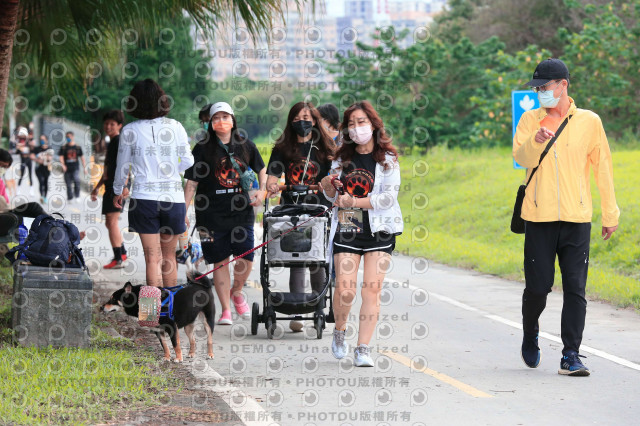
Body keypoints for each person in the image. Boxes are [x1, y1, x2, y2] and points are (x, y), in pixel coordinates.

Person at [513, 58, 620, 376]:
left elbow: (603, 168)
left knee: (575, 287)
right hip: (539, 218)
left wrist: (610, 212)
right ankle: (530, 331)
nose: (540, 93)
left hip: (577, 217)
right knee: (538, 288)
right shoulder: (530, 119)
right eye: (537, 89)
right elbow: (521, 158)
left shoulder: (589, 121)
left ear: (563, 85)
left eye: (544, 87)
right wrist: (536, 141)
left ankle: (570, 355)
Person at [320, 100, 403, 367]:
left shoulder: (388, 160)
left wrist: (354, 201)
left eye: (362, 122)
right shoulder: (340, 159)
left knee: (371, 290)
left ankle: (363, 348)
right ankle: (339, 330)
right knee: (345, 290)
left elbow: (388, 198)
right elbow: (332, 195)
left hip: (380, 229)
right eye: (352, 124)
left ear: (374, 125)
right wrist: (328, 187)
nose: (357, 128)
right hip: (348, 226)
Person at [184, 102, 266, 325]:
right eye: (216, 118)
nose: (221, 121)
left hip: (241, 212)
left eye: (225, 117)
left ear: (233, 119)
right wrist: (183, 210)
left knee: (246, 256)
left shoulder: (245, 145)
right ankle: (226, 310)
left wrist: (262, 190)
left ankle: (236, 291)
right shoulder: (202, 148)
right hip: (210, 213)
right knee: (219, 262)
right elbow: (192, 182)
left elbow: (261, 168)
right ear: (211, 123)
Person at [113, 79, 194, 288]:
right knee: (169, 258)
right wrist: (171, 170)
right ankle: (170, 306)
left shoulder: (129, 130)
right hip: (173, 199)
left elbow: (122, 166)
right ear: (162, 100)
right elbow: (188, 161)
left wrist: (117, 190)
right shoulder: (176, 126)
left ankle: (151, 308)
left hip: (144, 199)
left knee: (152, 259)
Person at [265, 101, 336, 332]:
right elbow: (272, 178)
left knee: (316, 259)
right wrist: (273, 185)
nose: (301, 122)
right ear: (290, 122)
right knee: (296, 258)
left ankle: (317, 306)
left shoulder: (325, 147)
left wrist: (327, 184)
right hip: (292, 211)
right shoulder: (283, 147)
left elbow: (335, 177)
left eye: (306, 118)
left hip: (319, 211)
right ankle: (297, 310)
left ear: (314, 120)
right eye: (296, 119)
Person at [91, 110, 129, 269]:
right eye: (106, 123)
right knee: (110, 222)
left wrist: (124, 186)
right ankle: (123, 252)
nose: (108, 126)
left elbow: (125, 164)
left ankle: (118, 259)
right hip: (110, 185)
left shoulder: (119, 141)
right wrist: (97, 187)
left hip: (118, 187)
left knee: (111, 222)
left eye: (112, 124)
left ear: (119, 125)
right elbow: (108, 169)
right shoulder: (112, 142)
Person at [0, 149, 46, 237]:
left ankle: (56, 227)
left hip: (5, 213)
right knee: (21, 220)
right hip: (3, 216)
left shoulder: (0, 182)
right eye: (1, 165)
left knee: (34, 207)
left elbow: (6, 203)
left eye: (5, 167)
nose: (2, 169)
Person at [58, 131, 86, 203]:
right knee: (68, 183)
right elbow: (61, 157)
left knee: (76, 180)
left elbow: (82, 158)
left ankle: (77, 195)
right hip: (67, 168)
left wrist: (85, 168)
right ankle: (70, 197)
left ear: (73, 137)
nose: (68, 138)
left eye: (69, 137)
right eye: (67, 137)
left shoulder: (77, 147)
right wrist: (63, 165)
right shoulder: (64, 147)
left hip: (75, 167)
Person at [30, 134, 53, 203]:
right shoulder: (37, 148)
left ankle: (45, 196)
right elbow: (32, 156)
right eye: (41, 139)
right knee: (41, 181)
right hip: (38, 168)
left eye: (43, 139)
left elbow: (49, 158)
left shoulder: (49, 149)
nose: (42, 141)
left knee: (45, 182)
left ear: (46, 140)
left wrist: (42, 159)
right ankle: (41, 196)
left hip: (46, 168)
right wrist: (37, 160)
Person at [16, 127, 34, 195]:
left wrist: (31, 145)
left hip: (29, 160)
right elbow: (17, 152)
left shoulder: (29, 142)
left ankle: (31, 190)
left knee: (30, 175)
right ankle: (18, 189)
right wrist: (19, 148)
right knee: (21, 175)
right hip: (23, 161)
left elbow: (32, 150)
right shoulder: (19, 141)